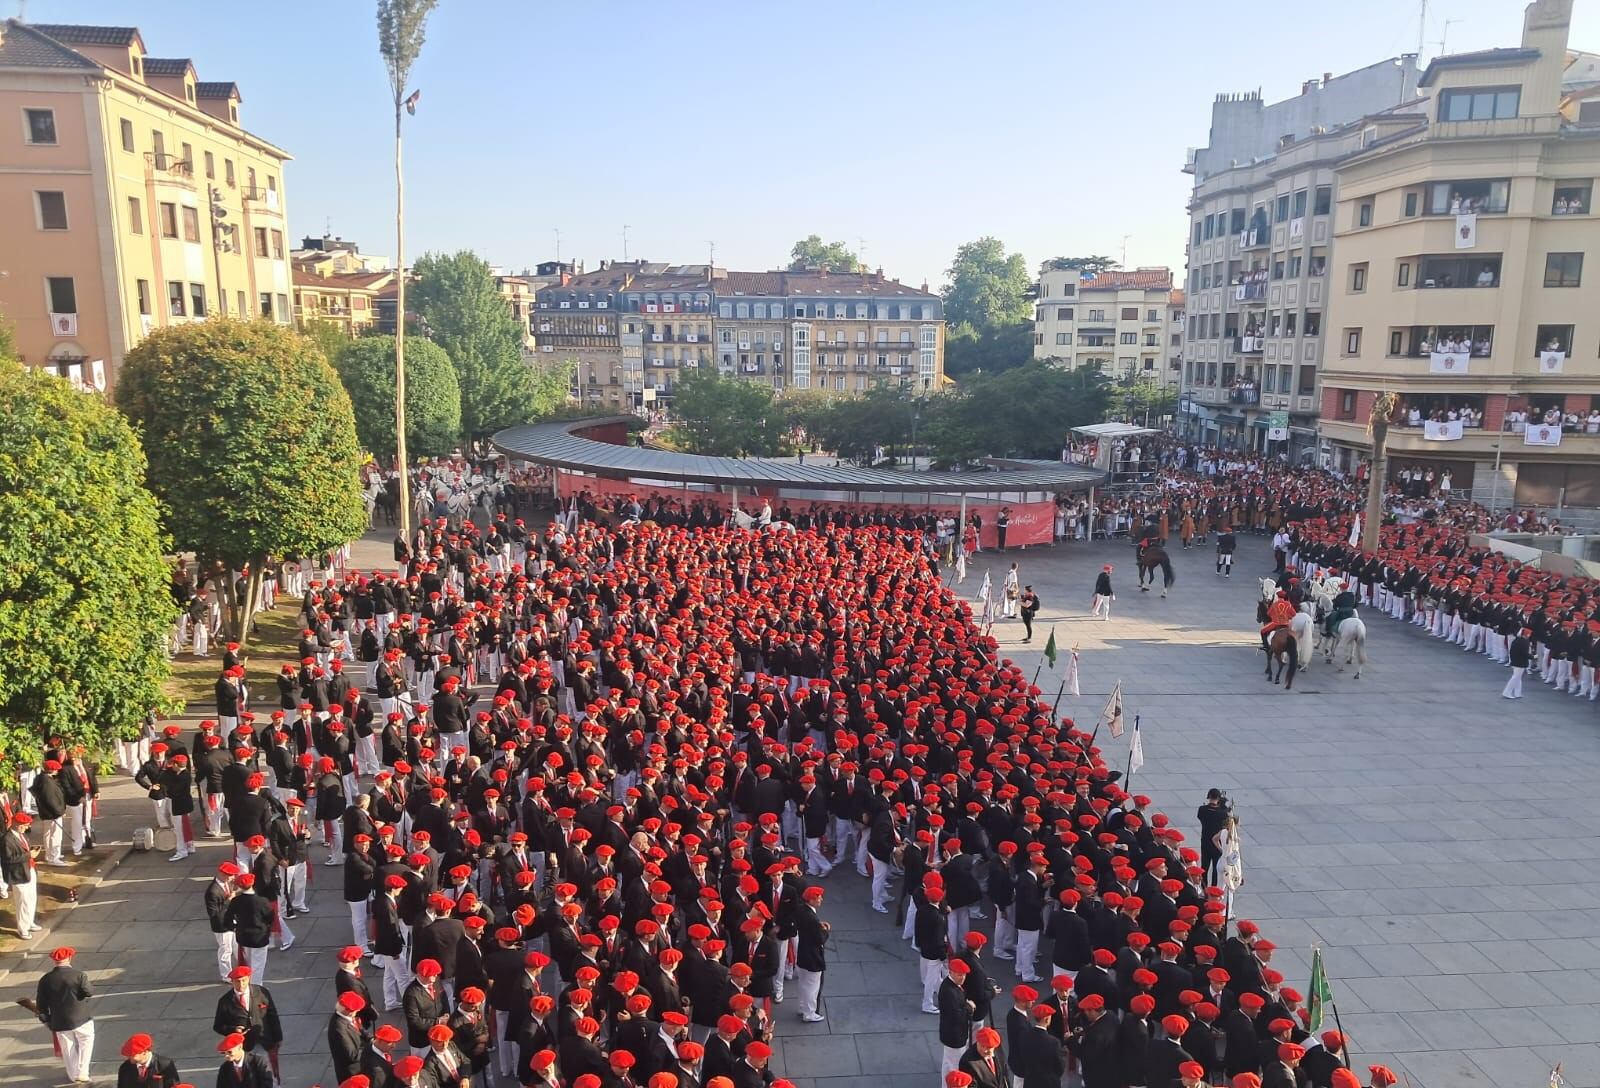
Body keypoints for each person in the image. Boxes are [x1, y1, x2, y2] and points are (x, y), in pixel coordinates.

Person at [36, 946, 95, 1084]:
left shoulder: (45, 979)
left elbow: (41, 1003)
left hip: (59, 1020)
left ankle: (73, 1074)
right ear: (69, 958)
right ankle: (83, 1072)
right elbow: (89, 992)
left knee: (67, 1048)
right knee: (86, 1042)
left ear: (54, 961)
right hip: (81, 1017)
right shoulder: (79, 975)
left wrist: (45, 1019)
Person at [1, 811, 41, 938]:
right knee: (23, 901)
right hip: (18, 874)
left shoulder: (21, 835)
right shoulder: (7, 839)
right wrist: (29, 855)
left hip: (29, 869)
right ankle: (23, 928)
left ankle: (29, 922)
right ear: (18, 824)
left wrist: (30, 851)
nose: (28, 827)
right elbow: (8, 859)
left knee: (31, 898)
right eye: (26, 825)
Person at [1503, 626, 1532, 700]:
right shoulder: (1524, 642)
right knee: (1516, 677)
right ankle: (1507, 692)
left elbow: (1512, 651)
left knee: (1518, 678)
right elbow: (1525, 653)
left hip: (1515, 661)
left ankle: (1517, 693)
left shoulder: (1516, 640)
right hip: (1520, 662)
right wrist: (1533, 657)